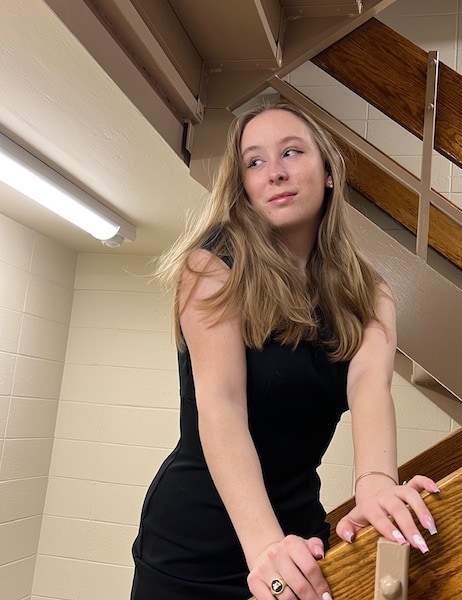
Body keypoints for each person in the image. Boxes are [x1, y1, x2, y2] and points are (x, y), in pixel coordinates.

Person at [130, 101, 439, 600]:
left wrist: (377, 484)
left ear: (328, 171)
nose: (274, 173)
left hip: (298, 527)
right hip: (196, 540)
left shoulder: (370, 294)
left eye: (291, 153)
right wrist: (264, 549)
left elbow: (369, 387)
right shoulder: (211, 268)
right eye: (254, 162)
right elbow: (222, 406)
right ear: (244, 189)